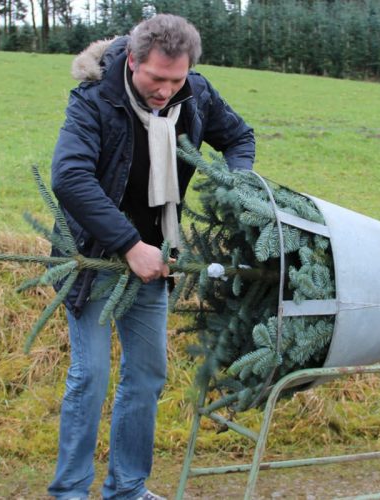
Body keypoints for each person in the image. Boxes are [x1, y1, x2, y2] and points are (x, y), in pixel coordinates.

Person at [47, 14, 255, 500]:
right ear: (132, 60)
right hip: (93, 258)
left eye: (175, 80)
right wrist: (128, 245)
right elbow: (69, 176)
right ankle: (70, 492)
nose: (165, 91)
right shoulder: (95, 99)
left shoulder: (196, 94)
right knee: (90, 377)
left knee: (146, 377)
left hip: (157, 260)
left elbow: (239, 138)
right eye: (156, 78)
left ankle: (127, 488)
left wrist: (236, 184)